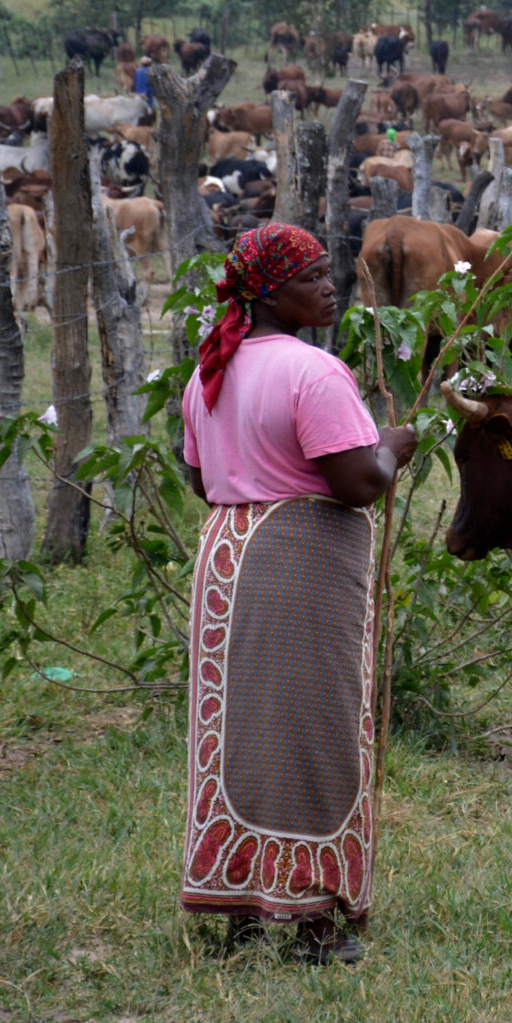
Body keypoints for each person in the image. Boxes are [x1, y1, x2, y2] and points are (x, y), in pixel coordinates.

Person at [177, 224, 415, 967]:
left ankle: (240, 906)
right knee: (316, 735)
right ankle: (315, 918)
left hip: (226, 558)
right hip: (301, 558)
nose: (328, 285)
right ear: (270, 290)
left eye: (326, 272)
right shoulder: (314, 372)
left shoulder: (210, 371)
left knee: (238, 737)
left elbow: (198, 477)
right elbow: (357, 483)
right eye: (311, 276)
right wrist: (393, 445)